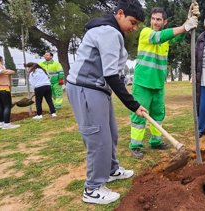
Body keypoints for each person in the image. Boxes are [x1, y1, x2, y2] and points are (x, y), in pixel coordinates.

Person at [66, 0, 147, 204]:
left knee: (110, 132)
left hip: (99, 89)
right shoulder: (109, 32)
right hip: (86, 87)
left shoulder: (112, 32)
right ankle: (92, 189)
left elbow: (115, 74)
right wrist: (133, 105)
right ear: (119, 13)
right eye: (132, 22)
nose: (134, 28)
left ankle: (111, 170)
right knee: (98, 139)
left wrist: (133, 103)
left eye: (137, 24)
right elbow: (111, 75)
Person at [129, 5, 199, 159]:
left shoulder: (165, 38)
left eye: (158, 19)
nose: (155, 22)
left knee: (158, 114)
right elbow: (159, 37)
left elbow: (177, 36)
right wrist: (184, 26)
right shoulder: (146, 33)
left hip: (158, 84)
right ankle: (135, 145)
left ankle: (156, 141)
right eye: (153, 19)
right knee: (139, 116)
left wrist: (188, 22)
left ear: (164, 22)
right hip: (142, 83)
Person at [0, 55, 20, 129]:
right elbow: (3, 71)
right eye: (2, 60)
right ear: (1, 60)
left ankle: (1, 122)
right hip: (4, 88)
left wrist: (7, 71)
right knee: (7, 106)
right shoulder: (0, 66)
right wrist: (9, 71)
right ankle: (7, 124)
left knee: (1, 106)